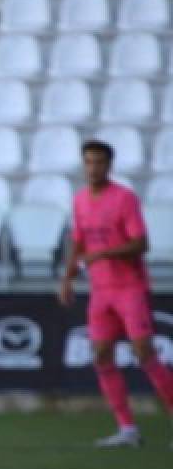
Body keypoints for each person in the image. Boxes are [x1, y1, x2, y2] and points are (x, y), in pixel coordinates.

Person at [59, 139, 173, 449]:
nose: (93, 168)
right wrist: (67, 280)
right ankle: (127, 429)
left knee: (144, 351)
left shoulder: (124, 199)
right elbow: (78, 243)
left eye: (99, 162)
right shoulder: (80, 200)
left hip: (129, 287)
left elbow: (141, 244)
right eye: (89, 162)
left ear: (109, 165)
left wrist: (104, 254)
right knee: (100, 355)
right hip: (100, 291)